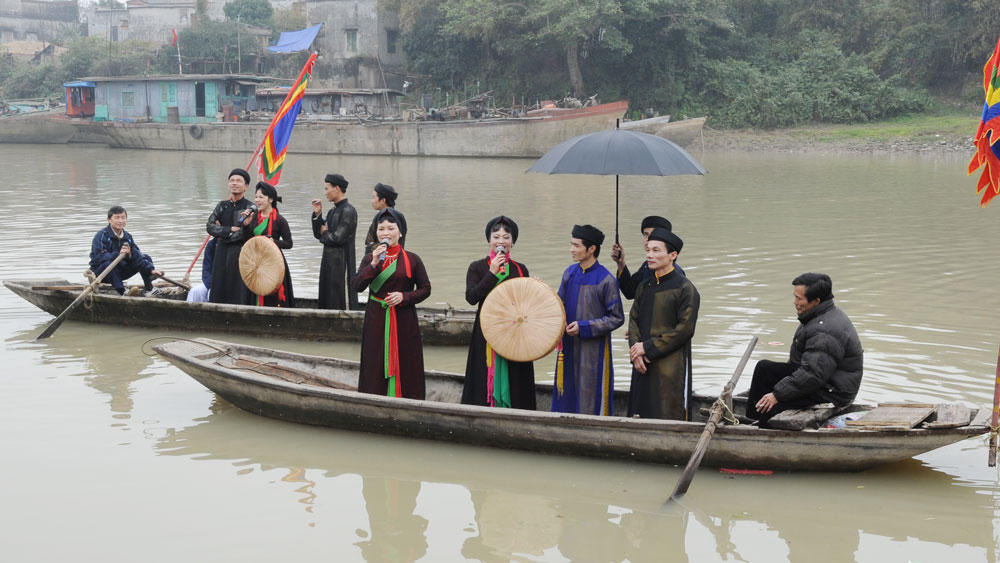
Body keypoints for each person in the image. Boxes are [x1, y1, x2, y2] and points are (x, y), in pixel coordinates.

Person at [746, 273, 863, 426]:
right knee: (764, 368)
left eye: (799, 299)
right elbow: (804, 366)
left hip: (832, 391)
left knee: (774, 410)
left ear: (816, 301)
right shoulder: (817, 315)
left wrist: (777, 395)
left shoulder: (825, 330)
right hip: (825, 379)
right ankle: (752, 419)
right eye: (795, 297)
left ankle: (762, 426)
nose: (795, 302)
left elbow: (813, 374)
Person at [354, 208, 432, 399]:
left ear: (401, 232)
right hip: (376, 317)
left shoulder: (412, 259)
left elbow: (425, 289)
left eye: (391, 228)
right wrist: (372, 264)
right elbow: (357, 286)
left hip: (404, 318)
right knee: (375, 358)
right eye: (381, 229)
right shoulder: (369, 258)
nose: (386, 233)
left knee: (407, 357)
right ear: (376, 232)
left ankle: (407, 397)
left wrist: (404, 297)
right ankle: (373, 398)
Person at [461, 216, 536, 410]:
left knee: (517, 373)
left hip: (514, 331)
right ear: (489, 240)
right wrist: (491, 273)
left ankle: (517, 411)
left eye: (506, 237)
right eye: (496, 236)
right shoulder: (477, 267)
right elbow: (471, 297)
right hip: (487, 330)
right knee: (483, 372)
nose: (501, 241)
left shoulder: (520, 269)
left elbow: (525, 303)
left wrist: (535, 289)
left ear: (513, 242)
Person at [626, 228, 700, 420]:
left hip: (669, 366)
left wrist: (647, 347)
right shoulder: (644, 286)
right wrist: (635, 350)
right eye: (648, 250)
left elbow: (684, 330)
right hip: (642, 363)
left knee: (667, 413)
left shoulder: (686, 289)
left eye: (656, 250)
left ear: (672, 255)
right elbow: (633, 320)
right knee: (639, 413)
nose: (649, 255)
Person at [551, 224, 625, 415]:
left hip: (593, 350)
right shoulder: (569, 273)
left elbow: (616, 318)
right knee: (565, 390)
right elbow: (558, 305)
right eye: (571, 244)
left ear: (591, 249)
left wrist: (584, 327)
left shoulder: (606, 279)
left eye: (576, 245)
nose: (572, 249)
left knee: (590, 392)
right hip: (567, 345)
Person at [206, 168, 255, 305]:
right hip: (221, 251)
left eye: (238, 181)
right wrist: (228, 230)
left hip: (240, 252)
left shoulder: (250, 207)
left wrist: (220, 231)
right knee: (219, 285)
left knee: (238, 287)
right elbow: (209, 226)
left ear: (246, 186)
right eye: (232, 180)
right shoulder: (222, 205)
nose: (234, 183)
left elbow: (244, 233)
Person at [89, 205, 163, 295]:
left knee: (145, 257)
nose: (120, 221)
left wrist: (150, 269)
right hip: (103, 273)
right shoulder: (101, 236)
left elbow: (137, 256)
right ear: (109, 220)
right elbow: (97, 258)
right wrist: (118, 254)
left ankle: (149, 289)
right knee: (108, 264)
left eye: (123, 218)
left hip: (120, 271)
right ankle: (123, 292)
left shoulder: (127, 237)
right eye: (117, 218)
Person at [312, 173, 359, 310]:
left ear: (337, 188)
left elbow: (337, 238)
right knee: (326, 294)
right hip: (328, 261)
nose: (325, 192)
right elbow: (318, 234)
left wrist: (325, 232)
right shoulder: (333, 211)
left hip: (341, 262)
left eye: (327, 189)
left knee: (338, 296)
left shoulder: (348, 211)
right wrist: (317, 215)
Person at [611, 215, 684, 300]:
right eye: (645, 234)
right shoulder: (647, 266)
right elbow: (629, 292)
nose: (648, 239)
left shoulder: (676, 275)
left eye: (653, 234)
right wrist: (621, 263)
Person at [245, 181, 295, 307]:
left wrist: (274, 242)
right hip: (256, 262)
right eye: (256, 196)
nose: (257, 200)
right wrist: (246, 224)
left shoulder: (279, 220)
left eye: (261, 197)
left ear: (271, 199)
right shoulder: (254, 217)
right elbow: (247, 240)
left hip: (274, 263)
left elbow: (289, 243)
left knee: (273, 296)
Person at [364, 182, 406, 254]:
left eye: (374, 197)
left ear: (383, 200)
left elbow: (368, 243)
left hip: (382, 259)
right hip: (398, 257)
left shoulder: (379, 217)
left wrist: (373, 246)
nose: (372, 201)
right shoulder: (400, 216)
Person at [185, 238, 215, 303]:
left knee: (213, 294)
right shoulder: (212, 244)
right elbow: (206, 270)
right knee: (194, 291)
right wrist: (211, 285)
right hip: (211, 282)